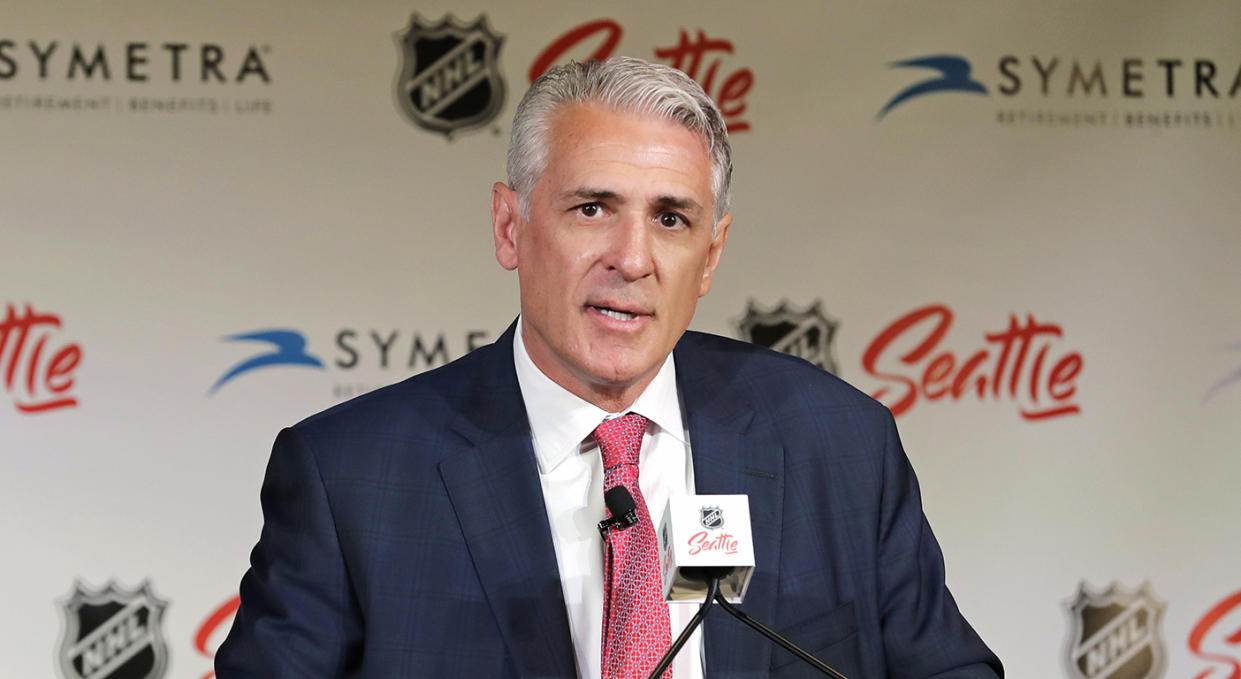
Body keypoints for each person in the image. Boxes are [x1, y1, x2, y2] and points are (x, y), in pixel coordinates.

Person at [216, 56, 1003, 679]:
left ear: (710, 255)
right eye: (592, 208)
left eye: (670, 219)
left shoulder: (838, 444)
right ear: (509, 226)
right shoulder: (351, 476)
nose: (631, 259)